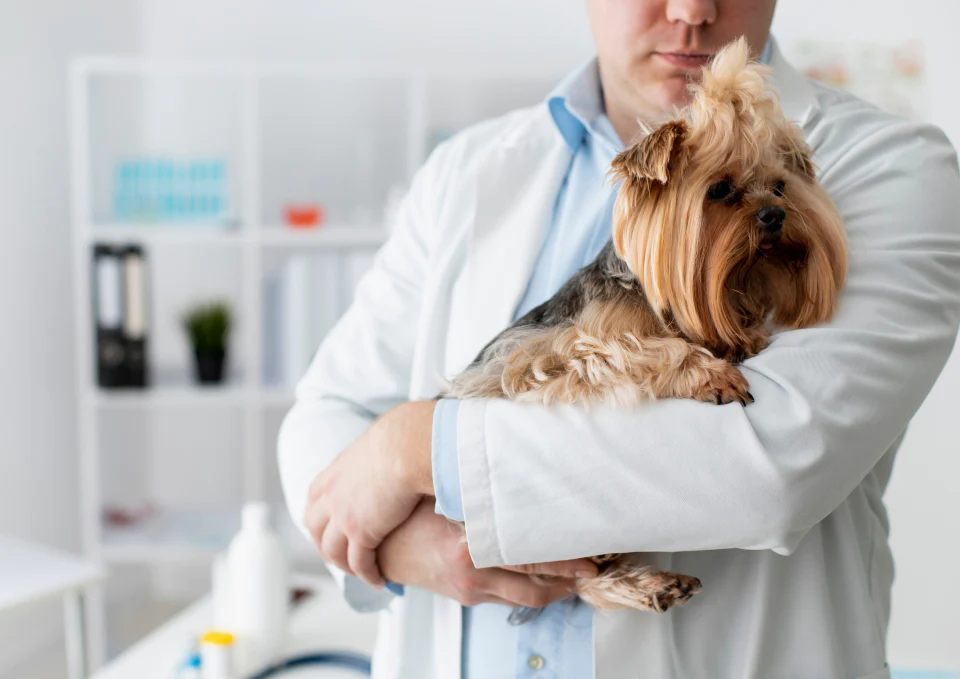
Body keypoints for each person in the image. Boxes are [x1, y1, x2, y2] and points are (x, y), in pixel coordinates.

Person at [278, 1, 960, 677]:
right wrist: (391, 548)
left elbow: (771, 467)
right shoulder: (464, 169)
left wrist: (412, 449)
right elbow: (329, 411)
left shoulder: (895, 169)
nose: (692, 10)